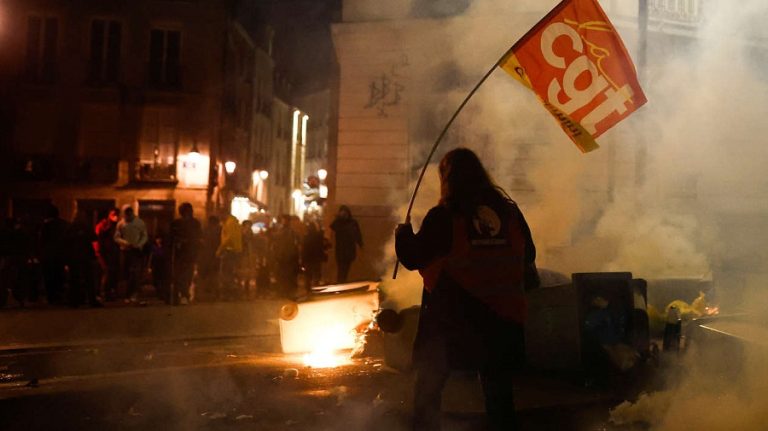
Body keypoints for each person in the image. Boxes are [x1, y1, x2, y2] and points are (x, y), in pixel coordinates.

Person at [395, 148, 539, 431]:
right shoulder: (509, 213)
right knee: (499, 397)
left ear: (447, 178)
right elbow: (529, 254)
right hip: (504, 319)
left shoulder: (445, 216)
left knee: (429, 387)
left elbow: (413, 257)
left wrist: (403, 235)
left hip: (454, 321)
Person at [66, 209, 101, 308]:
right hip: (85, 256)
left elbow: (66, 241)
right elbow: (94, 237)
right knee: (88, 279)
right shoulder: (85, 227)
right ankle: (91, 300)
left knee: (75, 279)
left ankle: (75, 301)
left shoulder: (71, 227)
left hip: (75, 256)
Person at [169, 202, 202, 305]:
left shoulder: (195, 223)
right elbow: (171, 237)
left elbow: (198, 237)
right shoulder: (177, 223)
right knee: (180, 275)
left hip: (189, 253)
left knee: (186, 275)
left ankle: (183, 294)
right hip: (181, 254)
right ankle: (178, 295)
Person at [114, 206, 148, 304]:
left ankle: (134, 293)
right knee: (127, 273)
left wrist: (139, 244)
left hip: (136, 251)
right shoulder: (121, 223)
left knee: (135, 273)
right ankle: (128, 294)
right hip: (125, 251)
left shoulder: (139, 222)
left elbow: (144, 236)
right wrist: (124, 243)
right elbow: (116, 237)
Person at [40, 204, 69, 305]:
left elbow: (42, 241)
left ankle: (52, 297)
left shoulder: (46, 225)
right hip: (60, 255)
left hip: (48, 255)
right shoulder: (64, 224)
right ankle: (59, 296)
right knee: (59, 276)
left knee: (49, 277)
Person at [330, 205, 363, 283]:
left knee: (346, 267)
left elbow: (357, 234)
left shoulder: (353, 222)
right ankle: (340, 282)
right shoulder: (338, 222)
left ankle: (342, 281)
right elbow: (332, 229)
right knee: (341, 267)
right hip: (340, 249)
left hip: (349, 249)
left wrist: (360, 243)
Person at [94, 208, 120, 301]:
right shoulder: (102, 225)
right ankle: (102, 292)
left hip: (111, 252)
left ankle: (108, 291)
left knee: (111, 272)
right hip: (102, 252)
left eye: (117, 214)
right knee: (106, 271)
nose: (116, 217)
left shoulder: (115, 226)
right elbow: (97, 237)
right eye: (113, 214)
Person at [272, 215, 300, 299]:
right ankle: (284, 292)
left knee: (288, 275)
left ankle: (288, 292)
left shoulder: (290, 232)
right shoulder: (284, 231)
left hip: (288, 257)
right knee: (283, 275)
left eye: (284, 220)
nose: (283, 222)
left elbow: (296, 244)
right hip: (283, 256)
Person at [216, 212, 242, 299]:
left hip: (229, 250)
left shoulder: (229, 223)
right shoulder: (235, 223)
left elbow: (228, 238)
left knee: (226, 273)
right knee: (231, 272)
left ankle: (227, 294)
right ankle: (232, 294)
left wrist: (220, 249)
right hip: (235, 251)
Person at [197, 215, 221, 301]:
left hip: (204, 256)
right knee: (214, 275)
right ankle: (214, 293)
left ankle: (202, 294)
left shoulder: (204, 230)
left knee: (203, 275)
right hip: (215, 256)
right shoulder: (219, 230)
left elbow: (200, 242)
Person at [302, 220, 329, 289]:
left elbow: (304, 249)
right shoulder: (319, 236)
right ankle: (315, 287)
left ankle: (308, 289)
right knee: (316, 274)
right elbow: (325, 245)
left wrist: (303, 259)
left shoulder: (306, 237)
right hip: (316, 258)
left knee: (308, 275)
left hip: (308, 258)